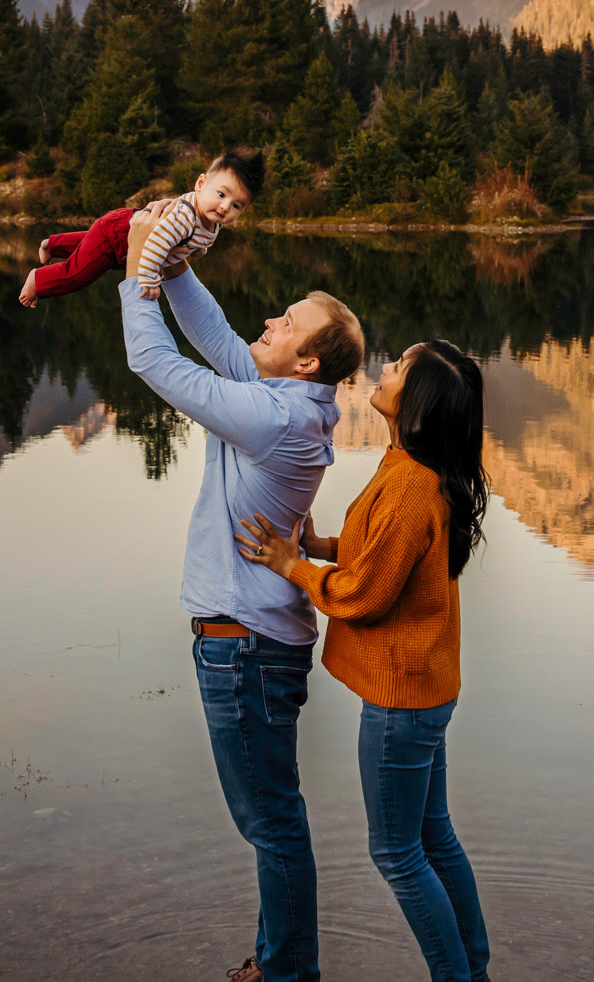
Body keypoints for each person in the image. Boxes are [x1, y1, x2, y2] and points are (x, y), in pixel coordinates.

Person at [119, 202, 366, 982]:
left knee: (271, 821)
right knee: (271, 816)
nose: (271, 319)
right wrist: (176, 264)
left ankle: (289, 971)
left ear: (307, 364)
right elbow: (224, 342)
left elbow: (158, 367)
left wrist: (137, 281)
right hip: (254, 644)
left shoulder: (273, 419)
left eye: (287, 322)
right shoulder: (287, 402)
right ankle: (279, 958)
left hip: (245, 650)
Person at [236, 339, 493, 982]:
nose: (386, 369)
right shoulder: (412, 467)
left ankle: (457, 978)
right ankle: (475, 972)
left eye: (402, 368)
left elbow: (367, 595)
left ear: (420, 401)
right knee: (433, 837)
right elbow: (375, 552)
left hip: (402, 701)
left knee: (398, 854)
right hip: (426, 690)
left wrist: (291, 566)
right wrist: (318, 543)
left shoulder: (410, 484)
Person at [17, 149, 264, 307]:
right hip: (122, 233)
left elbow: (202, 240)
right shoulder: (185, 218)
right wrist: (147, 279)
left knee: (93, 248)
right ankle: (37, 280)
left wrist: (198, 250)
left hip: (122, 232)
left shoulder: (211, 220)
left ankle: (52, 244)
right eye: (221, 194)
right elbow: (157, 244)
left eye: (236, 205)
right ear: (201, 183)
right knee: (80, 274)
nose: (224, 207)